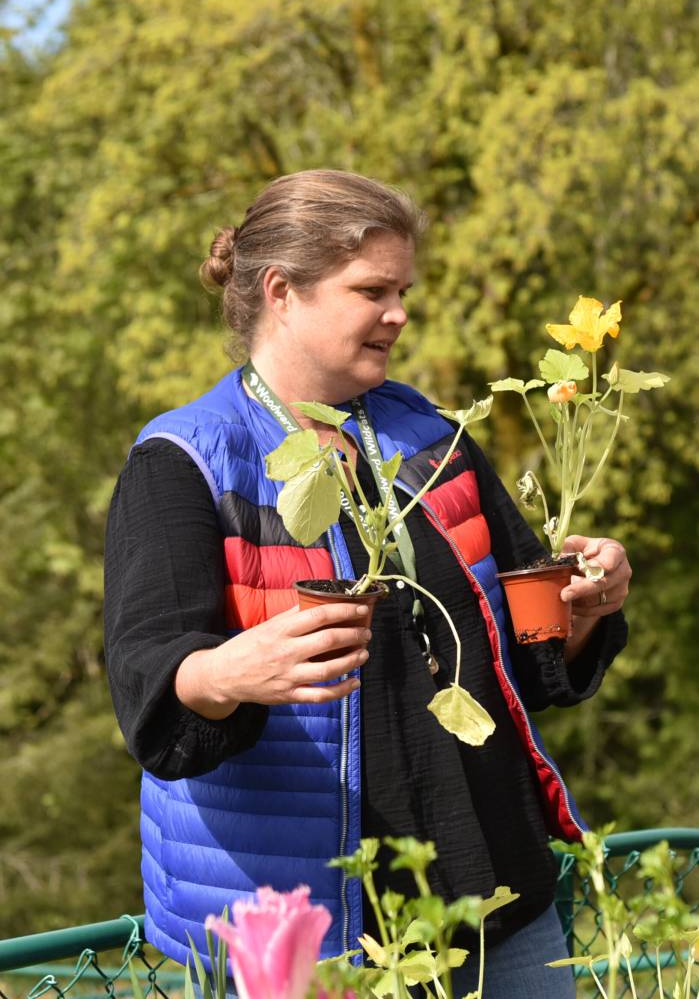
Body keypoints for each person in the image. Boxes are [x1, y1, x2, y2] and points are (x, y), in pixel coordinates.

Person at [104, 169, 631, 998]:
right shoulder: (188, 461)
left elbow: (531, 653)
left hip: (499, 895)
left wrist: (587, 607)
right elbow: (145, 678)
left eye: (403, 289)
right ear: (282, 291)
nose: (400, 312)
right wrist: (228, 672)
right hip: (318, 931)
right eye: (372, 289)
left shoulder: (430, 435)